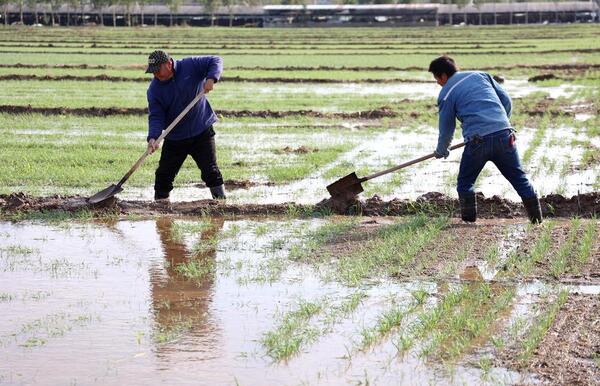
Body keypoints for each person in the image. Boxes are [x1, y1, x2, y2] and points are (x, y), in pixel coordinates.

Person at [429, 55, 542, 224]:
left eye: (437, 78)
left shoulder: (446, 94)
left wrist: (442, 149)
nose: (438, 82)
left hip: (477, 142)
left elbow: (446, 128)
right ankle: (537, 219)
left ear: (443, 76)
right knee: (519, 179)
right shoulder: (481, 75)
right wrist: (502, 124)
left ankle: (468, 222)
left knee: (465, 182)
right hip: (505, 135)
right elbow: (506, 100)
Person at [145, 49, 225, 201]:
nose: (155, 75)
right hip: (175, 137)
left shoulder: (189, 65)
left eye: (158, 71)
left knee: (210, 171)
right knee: (163, 177)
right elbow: (156, 116)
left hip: (201, 130)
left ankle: (221, 206)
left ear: (168, 64)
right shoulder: (154, 90)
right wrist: (153, 137)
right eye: (153, 72)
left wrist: (211, 78)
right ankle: (161, 212)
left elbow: (216, 60)